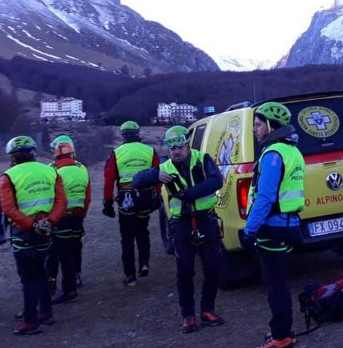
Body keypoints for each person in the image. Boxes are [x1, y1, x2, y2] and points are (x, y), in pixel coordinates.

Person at [132, 126, 225, 333]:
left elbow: (217, 180)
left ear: (187, 145)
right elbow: (136, 180)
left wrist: (189, 194)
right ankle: (188, 315)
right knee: (184, 270)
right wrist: (156, 174)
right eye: (172, 148)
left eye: (180, 147)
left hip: (206, 220)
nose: (176, 152)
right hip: (181, 224)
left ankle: (207, 310)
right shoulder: (165, 168)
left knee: (213, 267)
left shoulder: (202, 159)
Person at [243, 102, 305, 348]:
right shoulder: (292, 150)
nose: (255, 130)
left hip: (273, 227)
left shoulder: (273, 154)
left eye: (258, 124)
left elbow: (265, 198)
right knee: (279, 281)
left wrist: (249, 230)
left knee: (275, 284)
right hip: (289, 224)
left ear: (270, 126)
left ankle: (281, 338)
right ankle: (282, 329)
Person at [0, 136, 67, 335]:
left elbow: (8, 208)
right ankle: (46, 312)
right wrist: (49, 221)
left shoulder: (8, 176)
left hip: (23, 232)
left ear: (13, 156)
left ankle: (30, 321)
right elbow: (61, 202)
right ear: (33, 152)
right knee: (42, 272)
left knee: (28, 278)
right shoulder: (51, 171)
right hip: (45, 230)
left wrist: (32, 224)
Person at [102, 121, 160, 286]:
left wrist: (107, 203)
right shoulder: (150, 151)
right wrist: (157, 197)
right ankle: (144, 263)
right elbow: (158, 174)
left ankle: (130, 276)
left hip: (126, 198)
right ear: (137, 133)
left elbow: (109, 180)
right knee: (142, 231)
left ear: (123, 135)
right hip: (146, 197)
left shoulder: (117, 153)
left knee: (126, 237)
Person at [46, 135, 90, 304]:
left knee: (60, 254)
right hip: (77, 217)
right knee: (74, 250)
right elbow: (87, 197)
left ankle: (66, 289)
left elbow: (52, 198)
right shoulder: (82, 169)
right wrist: (82, 215)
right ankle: (74, 280)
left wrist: (51, 219)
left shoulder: (53, 171)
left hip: (61, 218)